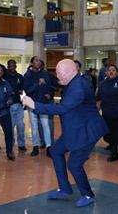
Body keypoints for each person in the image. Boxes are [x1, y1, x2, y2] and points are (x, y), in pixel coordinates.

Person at [22, 59, 109, 207]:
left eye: (60, 73)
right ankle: (64, 188)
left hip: (87, 130)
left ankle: (88, 195)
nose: (57, 76)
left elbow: (62, 108)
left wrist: (34, 105)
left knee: (74, 164)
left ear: (70, 72)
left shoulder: (77, 87)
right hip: (75, 128)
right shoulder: (72, 82)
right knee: (56, 151)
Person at [24, 56, 53, 156]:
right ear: (32, 63)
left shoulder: (44, 74)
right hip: (32, 105)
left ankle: (49, 146)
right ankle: (35, 146)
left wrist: (49, 94)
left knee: (46, 126)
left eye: (40, 61)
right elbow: (27, 90)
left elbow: (49, 86)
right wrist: (38, 84)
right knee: (34, 126)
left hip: (43, 104)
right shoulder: (27, 75)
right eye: (36, 61)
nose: (38, 62)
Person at [5, 59, 26, 151]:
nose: (12, 68)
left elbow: (23, 89)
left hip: (18, 104)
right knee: (11, 126)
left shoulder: (20, 77)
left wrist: (21, 93)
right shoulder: (5, 77)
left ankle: (21, 144)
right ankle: (11, 144)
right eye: (10, 66)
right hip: (9, 106)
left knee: (21, 125)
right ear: (7, 67)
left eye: (13, 66)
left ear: (16, 66)